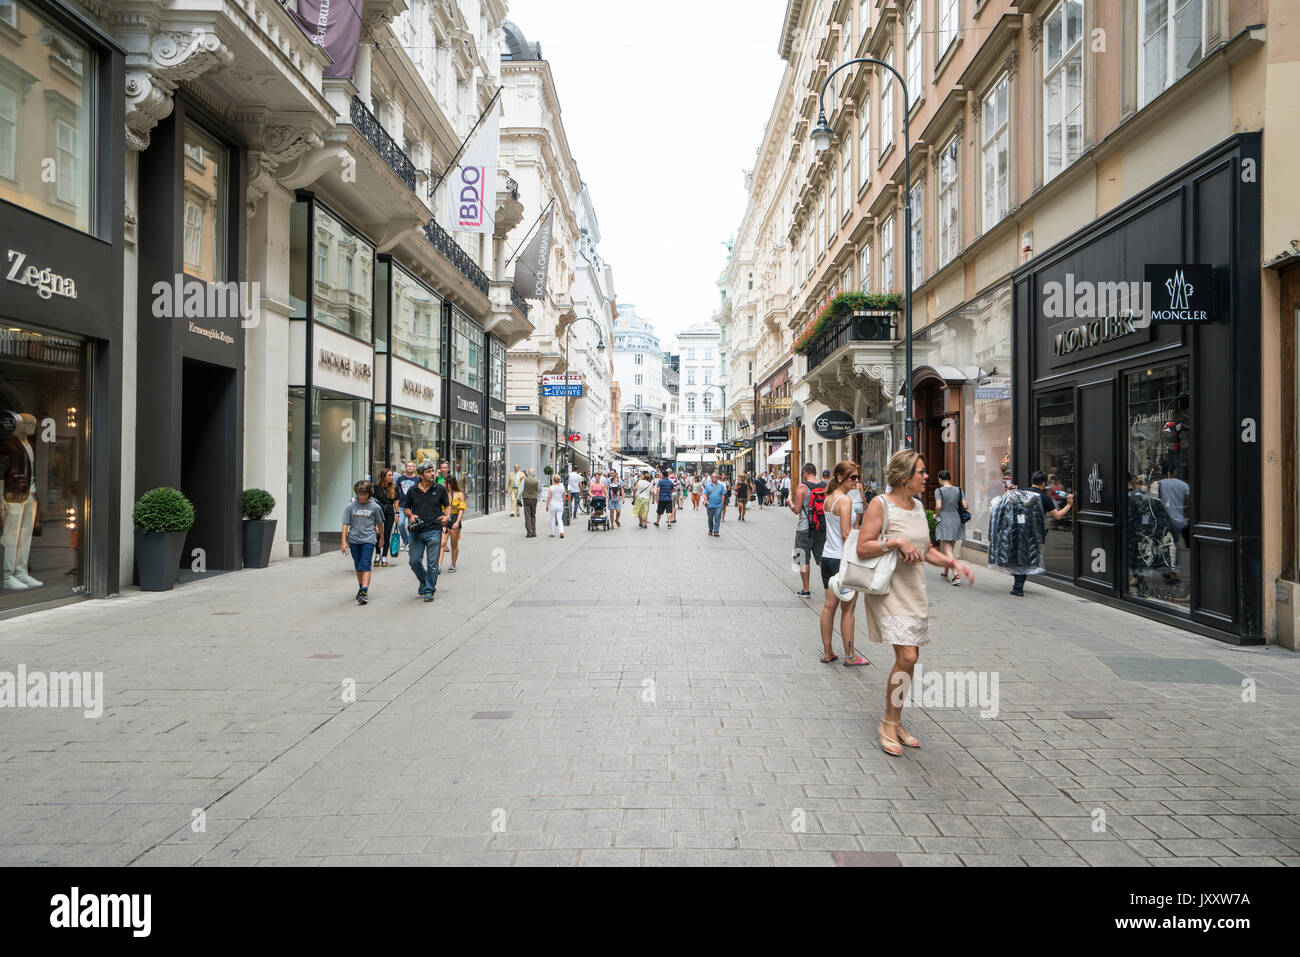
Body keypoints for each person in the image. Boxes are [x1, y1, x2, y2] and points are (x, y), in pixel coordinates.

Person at [857, 450, 974, 756]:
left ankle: (895, 721)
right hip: (888, 592)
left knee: (910, 661)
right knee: (907, 657)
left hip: (914, 591)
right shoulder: (880, 505)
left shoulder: (919, 506)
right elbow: (863, 546)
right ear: (903, 476)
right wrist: (894, 541)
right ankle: (887, 722)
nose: (926, 477)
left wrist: (952, 563)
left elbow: (927, 550)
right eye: (921, 472)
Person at [819, 461, 867, 666]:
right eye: (853, 477)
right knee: (848, 609)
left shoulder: (828, 498)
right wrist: (861, 554)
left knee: (829, 606)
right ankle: (850, 655)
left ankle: (828, 651)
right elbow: (846, 534)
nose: (857, 481)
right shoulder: (845, 500)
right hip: (842, 559)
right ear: (840, 478)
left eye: (858, 477)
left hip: (828, 557)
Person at [1010, 470, 1072, 596]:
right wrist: (1069, 504)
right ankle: (1018, 587)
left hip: (1019, 530)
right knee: (1026, 558)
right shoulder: (1044, 498)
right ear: (1044, 483)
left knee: (1020, 557)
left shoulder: (1021, 492)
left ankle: (1018, 583)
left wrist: (1009, 491)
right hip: (1035, 533)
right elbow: (1057, 516)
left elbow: (1009, 504)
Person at [404, 462, 451, 602]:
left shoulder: (439, 489)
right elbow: (406, 508)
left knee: (432, 563)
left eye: (432, 471)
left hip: (434, 530)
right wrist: (411, 516)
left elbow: (447, 506)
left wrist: (446, 516)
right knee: (414, 561)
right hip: (416, 532)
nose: (432, 474)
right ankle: (424, 580)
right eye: (429, 472)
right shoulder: (413, 491)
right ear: (421, 475)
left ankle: (429, 590)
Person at [340, 480, 385, 604]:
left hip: (369, 539)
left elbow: (380, 523)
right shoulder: (351, 506)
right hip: (354, 540)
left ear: (369, 493)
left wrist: (382, 538)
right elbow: (345, 524)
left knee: (365, 564)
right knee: (358, 565)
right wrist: (344, 541)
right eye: (360, 494)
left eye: (364, 494)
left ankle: (364, 591)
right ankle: (361, 587)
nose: (362, 497)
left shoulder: (375, 507)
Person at [789, 462, 825, 598]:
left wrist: (790, 504)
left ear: (804, 472)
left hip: (804, 528)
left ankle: (805, 589)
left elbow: (797, 510)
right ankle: (832, 586)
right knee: (821, 558)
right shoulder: (824, 486)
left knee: (802, 558)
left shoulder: (802, 487)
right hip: (821, 527)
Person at [933, 469, 967, 586]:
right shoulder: (959, 490)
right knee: (950, 550)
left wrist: (936, 514)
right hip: (956, 519)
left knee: (947, 550)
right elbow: (965, 506)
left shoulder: (939, 491)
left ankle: (956, 574)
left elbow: (938, 505)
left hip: (945, 519)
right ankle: (945, 572)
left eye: (938, 479)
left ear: (941, 479)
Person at [440, 475, 468, 571]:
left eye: (445, 483)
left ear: (450, 484)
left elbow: (461, 509)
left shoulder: (459, 494)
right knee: (442, 543)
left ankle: (453, 564)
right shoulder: (443, 493)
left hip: (455, 518)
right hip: (444, 518)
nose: (444, 484)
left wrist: (457, 522)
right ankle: (438, 566)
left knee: (453, 544)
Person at [373, 469, 399, 568]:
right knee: (378, 533)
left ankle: (384, 556)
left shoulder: (394, 488)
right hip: (378, 512)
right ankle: (377, 554)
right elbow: (371, 500)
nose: (392, 477)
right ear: (383, 477)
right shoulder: (376, 487)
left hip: (389, 512)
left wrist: (397, 514)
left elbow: (396, 502)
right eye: (389, 475)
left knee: (387, 534)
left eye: (392, 475)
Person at [396, 462, 419, 551]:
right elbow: (397, 492)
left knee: (411, 525)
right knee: (401, 524)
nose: (409, 468)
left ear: (414, 467)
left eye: (411, 466)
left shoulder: (417, 479)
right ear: (405, 468)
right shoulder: (400, 479)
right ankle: (405, 541)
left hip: (413, 506)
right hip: (402, 505)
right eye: (408, 466)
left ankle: (410, 542)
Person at [702, 472, 725, 536]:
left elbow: (723, 494)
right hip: (710, 505)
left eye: (716, 477)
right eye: (713, 477)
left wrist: (722, 502)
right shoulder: (708, 486)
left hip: (718, 505)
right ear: (711, 478)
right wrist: (706, 500)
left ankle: (716, 531)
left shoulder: (721, 486)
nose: (714, 478)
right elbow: (705, 494)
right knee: (710, 518)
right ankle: (710, 529)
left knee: (717, 518)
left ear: (717, 478)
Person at [545, 471, 568, 538]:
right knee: (560, 519)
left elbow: (549, 497)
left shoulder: (551, 487)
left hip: (553, 504)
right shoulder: (562, 487)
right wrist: (563, 504)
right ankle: (561, 531)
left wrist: (547, 505)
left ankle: (553, 533)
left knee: (552, 519)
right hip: (560, 504)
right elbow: (564, 497)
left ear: (553, 480)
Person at [521, 468, 540, 537]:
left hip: (526, 499)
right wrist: (536, 494)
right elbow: (539, 490)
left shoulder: (524, 480)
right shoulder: (537, 481)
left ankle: (529, 532)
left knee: (527, 516)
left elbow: (521, 490)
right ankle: (534, 532)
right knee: (533, 515)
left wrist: (518, 498)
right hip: (534, 499)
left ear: (528, 473)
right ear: (534, 474)